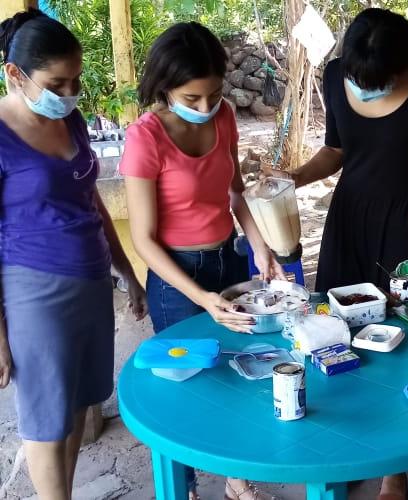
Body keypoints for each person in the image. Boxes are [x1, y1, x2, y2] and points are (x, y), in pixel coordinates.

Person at [120, 22, 283, 500]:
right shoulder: (145, 138)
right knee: (183, 386)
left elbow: (235, 195)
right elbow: (146, 240)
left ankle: (236, 480)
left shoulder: (225, 117)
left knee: (242, 368)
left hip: (228, 265)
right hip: (177, 280)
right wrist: (202, 298)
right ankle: (184, 487)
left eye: (212, 95)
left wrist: (259, 246)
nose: (204, 107)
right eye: (191, 98)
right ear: (165, 87)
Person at [0, 9, 147, 499]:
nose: (68, 94)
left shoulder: (73, 120)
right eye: (56, 83)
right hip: (34, 289)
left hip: (90, 281)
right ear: (14, 75)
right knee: (45, 416)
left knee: (77, 408)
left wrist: (126, 270)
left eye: (75, 81)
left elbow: (91, 198)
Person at [266, 8, 408, 304]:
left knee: (401, 312)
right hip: (347, 215)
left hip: (402, 220)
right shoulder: (334, 75)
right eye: (357, 76)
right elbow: (334, 150)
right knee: (338, 309)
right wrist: (296, 177)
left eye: (377, 80)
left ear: (402, 65)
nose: (364, 86)